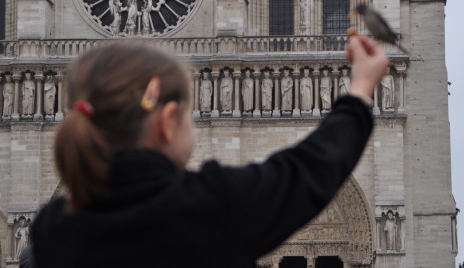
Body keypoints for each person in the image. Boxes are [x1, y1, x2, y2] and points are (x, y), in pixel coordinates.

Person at [31, 35, 388, 268]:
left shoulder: (52, 228)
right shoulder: (208, 207)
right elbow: (310, 169)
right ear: (167, 122)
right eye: (190, 113)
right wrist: (359, 91)